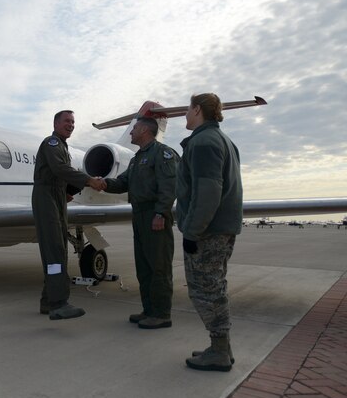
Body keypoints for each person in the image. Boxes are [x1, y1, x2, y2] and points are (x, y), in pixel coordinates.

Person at [177, 93, 243, 371]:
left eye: (188, 110)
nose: (185, 115)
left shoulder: (204, 142)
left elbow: (208, 192)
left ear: (197, 110)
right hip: (219, 228)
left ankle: (218, 351)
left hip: (207, 231)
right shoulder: (223, 140)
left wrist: (192, 232)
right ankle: (222, 347)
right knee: (215, 286)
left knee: (205, 290)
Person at [103, 112, 179, 329]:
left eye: (135, 128)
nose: (132, 132)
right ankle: (149, 310)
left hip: (154, 215)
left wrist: (161, 213)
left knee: (159, 267)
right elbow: (122, 182)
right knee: (144, 267)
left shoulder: (162, 154)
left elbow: (169, 187)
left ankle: (162, 314)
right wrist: (102, 184)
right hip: (139, 215)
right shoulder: (138, 159)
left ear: (145, 130)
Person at [33, 110, 106, 320]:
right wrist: (89, 181)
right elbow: (60, 169)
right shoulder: (52, 143)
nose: (71, 125)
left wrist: (67, 191)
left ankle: (48, 300)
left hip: (55, 196)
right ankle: (58, 303)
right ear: (55, 123)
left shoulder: (63, 147)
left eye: (73, 122)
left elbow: (61, 173)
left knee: (58, 249)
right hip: (46, 197)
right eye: (67, 121)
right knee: (55, 251)